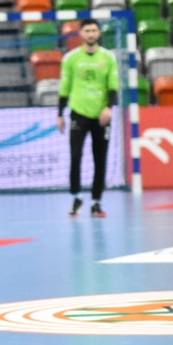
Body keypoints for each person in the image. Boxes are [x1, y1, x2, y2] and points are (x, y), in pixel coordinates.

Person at [57, 18, 118, 218]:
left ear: (98, 33)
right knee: (75, 156)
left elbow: (113, 85)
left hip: (101, 115)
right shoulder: (71, 58)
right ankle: (76, 197)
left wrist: (108, 108)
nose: (91, 34)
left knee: (100, 159)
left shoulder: (108, 57)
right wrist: (60, 114)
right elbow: (64, 87)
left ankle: (96, 202)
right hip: (78, 113)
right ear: (81, 33)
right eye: (87, 31)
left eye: (94, 30)